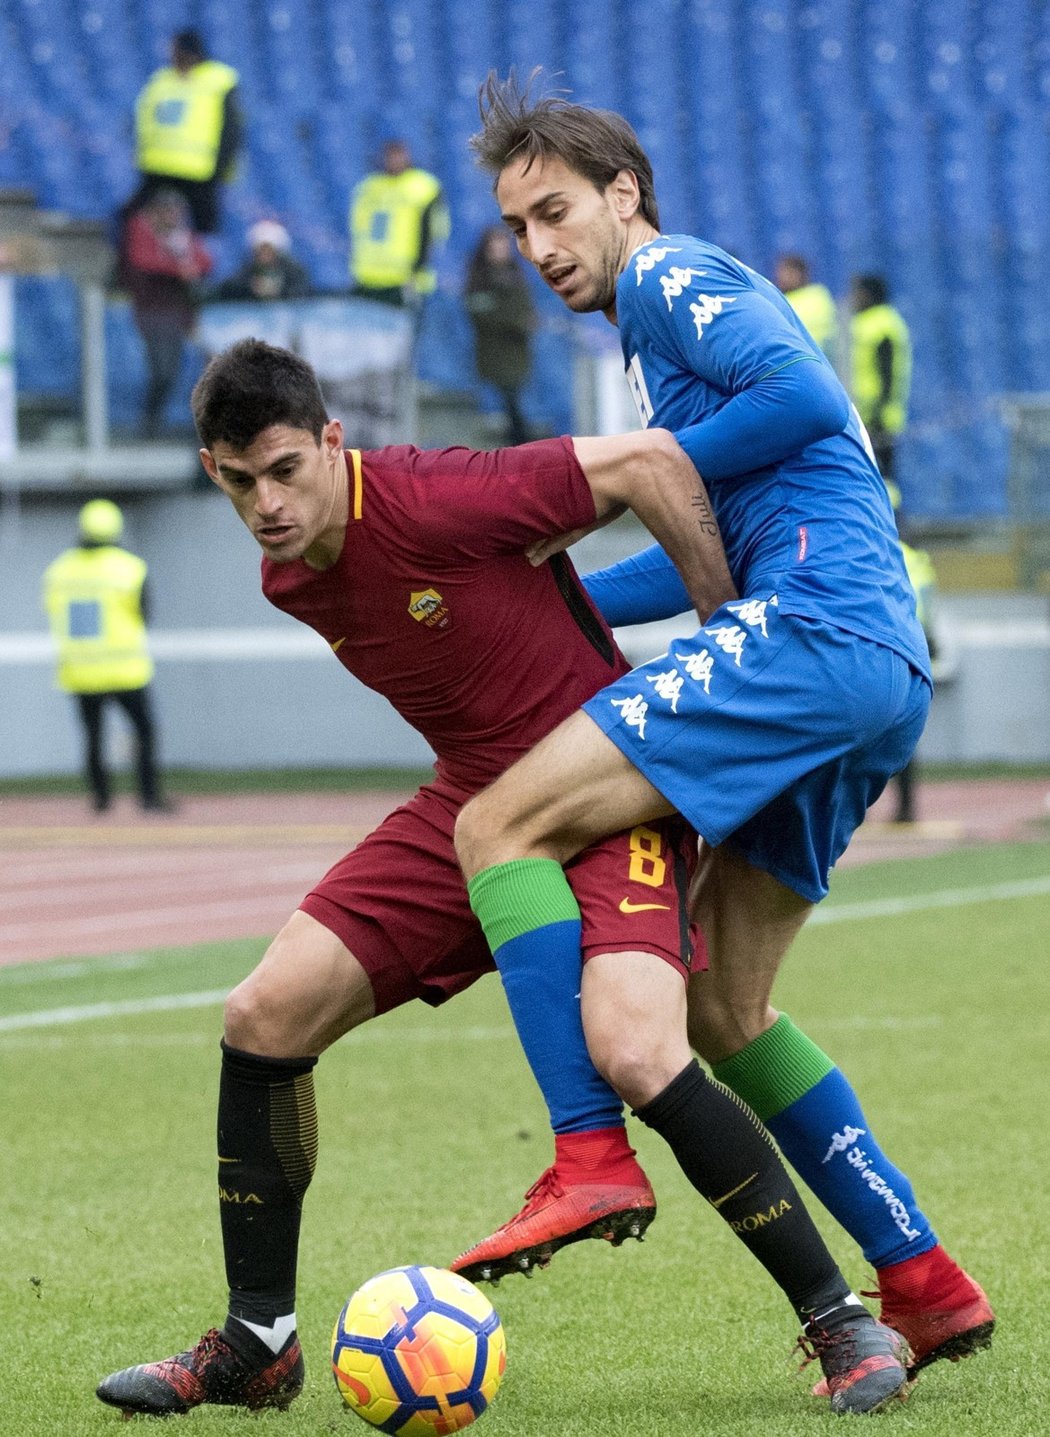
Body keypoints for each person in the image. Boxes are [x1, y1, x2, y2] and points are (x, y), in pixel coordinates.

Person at [95, 339, 910, 1420]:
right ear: (212, 470)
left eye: (287, 469)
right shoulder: (287, 574)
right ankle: (261, 1341)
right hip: (474, 801)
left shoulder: (439, 494)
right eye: (240, 481)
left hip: (613, 787)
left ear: (334, 441)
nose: (268, 503)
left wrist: (732, 638)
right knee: (263, 1012)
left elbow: (651, 464)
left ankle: (839, 1319)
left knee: (638, 1049)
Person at [451, 73, 993, 1384]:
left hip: (809, 632)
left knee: (500, 819)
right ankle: (921, 1280)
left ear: (621, 194)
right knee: (723, 1006)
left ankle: (586, 1154)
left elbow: (803, 399)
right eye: (518, 229)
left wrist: (639, 478)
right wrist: (553, 592)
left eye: (554, 212)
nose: (538, 250)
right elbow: (708, 524)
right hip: (865, 665)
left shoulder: (668, 279)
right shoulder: (653, 330)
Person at [41, 499, 172, 813]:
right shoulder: (130, 568)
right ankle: (149, 797)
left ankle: (101, 799)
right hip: (125, 669)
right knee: (144, 731)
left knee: (93, 737)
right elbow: (144, 614)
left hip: (80, 671)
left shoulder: (59, 570)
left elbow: (53, 611)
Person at [125, 29, 242, 236]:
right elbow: (144, 120)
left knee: (203, 231)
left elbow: (231, 130)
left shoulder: (219, 80)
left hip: (200, 172)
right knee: (132, 221)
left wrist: (220, 168)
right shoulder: (161, 80)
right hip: (158, 168)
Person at [119, 189, 212, 438]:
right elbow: (143, 262)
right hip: (153, 312)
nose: (174, 216)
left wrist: (187, 267)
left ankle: (154, 421)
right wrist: (178, 269)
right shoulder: (143, 230)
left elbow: (205, 262)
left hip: (179, 314)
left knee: (172, 370)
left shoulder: (182, 238)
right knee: (162, 370)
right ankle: (149, 420)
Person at [348, 140, 449, 307]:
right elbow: (357, 229)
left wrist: (418, 268)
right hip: (367, 277)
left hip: (406, 279)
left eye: (399, 155)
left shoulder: (424, 187)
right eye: (390, 156)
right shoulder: (368, 187)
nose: (395, 160)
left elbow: (434, 232)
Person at [464, 225, 536, 445]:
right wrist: (517, 322)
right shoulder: (479, 278)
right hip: (493, 355)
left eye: (504, 244)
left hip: (517, 354)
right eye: (495, 245)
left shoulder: (516, 275)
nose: (501, 250)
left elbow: (524, 308)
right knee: (507, 407)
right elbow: (481, 313)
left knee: (516, 407)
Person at [849, 273, 912, 482]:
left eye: (858, 292)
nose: (853, 297)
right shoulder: (866, 322)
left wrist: (878, 412)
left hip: (879, 417)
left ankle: (891, 514)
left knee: (883, 474)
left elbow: (888, 374)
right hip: (866, 413)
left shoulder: (882, 324)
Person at [207, 220, 312, 303]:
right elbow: (228, 289)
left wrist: (279, 291)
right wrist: (252, 289)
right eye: (260, 251)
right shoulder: (248, 270)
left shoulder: (293, 270)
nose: (264, 255)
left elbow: (303, 292)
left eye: (268, 250)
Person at [774, 253, 839, 366]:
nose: (782, 277)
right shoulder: (782, 298)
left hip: (815, 357)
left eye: (788, 272)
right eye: (781, 272)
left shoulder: (817, 295)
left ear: (800, 274)